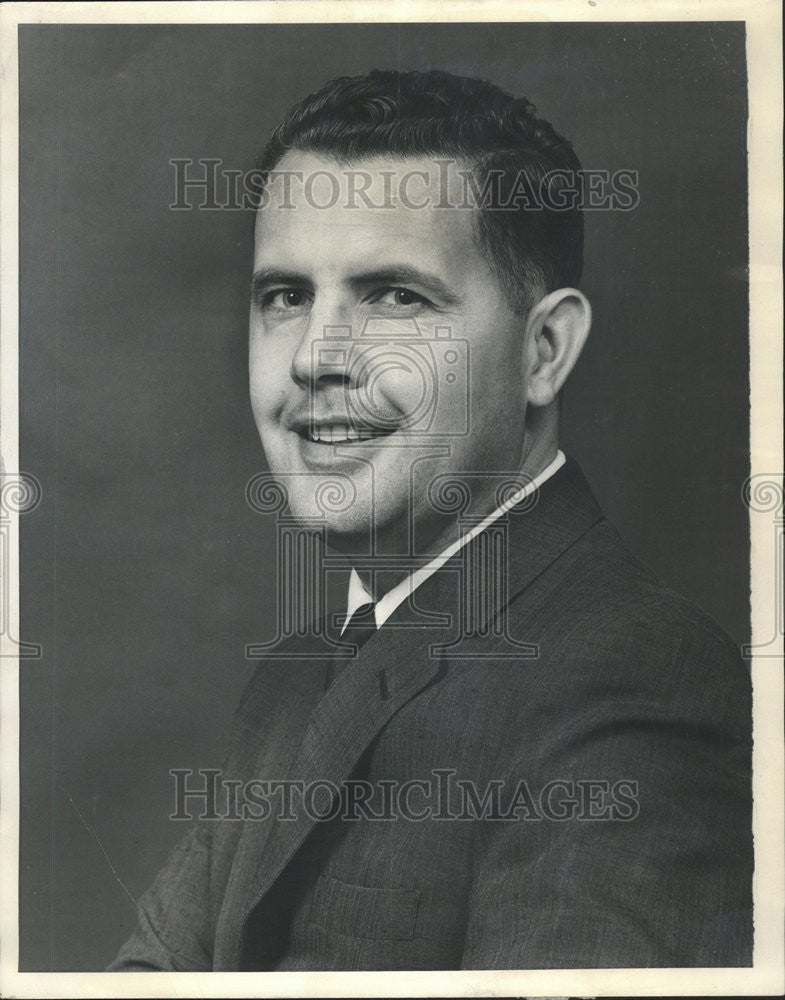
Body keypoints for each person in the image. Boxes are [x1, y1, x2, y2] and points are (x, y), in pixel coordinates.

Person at [109, 69, 752, 971]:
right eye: (286, 296)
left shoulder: (636, 685)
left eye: (395, 297)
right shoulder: (297, 679)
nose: (315, 360)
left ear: (543, 351)